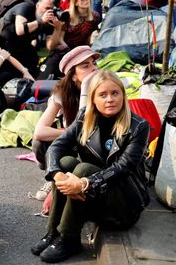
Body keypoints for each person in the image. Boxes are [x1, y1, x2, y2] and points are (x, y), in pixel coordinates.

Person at [31, 71, 149, 262]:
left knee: (82, 170)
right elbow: (57, 146)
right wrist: (57, 174)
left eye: (115, 93)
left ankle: (69, 239)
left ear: (123, 95)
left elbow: (123, 168)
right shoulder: (85, 117)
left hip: (124, 205)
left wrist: (85, 183)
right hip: (94, 195)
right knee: (66, 163)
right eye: (103, 95)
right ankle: (54, 232)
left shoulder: (138, 126)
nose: (110, 99)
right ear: (93, 98)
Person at [32, 46, 100, 171]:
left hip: (97, 147)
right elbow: (39, 132)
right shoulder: (63, 93)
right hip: (75, 145)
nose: (94, 69)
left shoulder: (104, 89)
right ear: (73, 76)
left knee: (79, 168)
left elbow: (86, 130)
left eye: (94, 64)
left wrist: (86, 87)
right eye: (86, 66)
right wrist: (69, 132)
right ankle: (52, 174)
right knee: (39, 144)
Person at [43, 0, 101, 78]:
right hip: (66, 48)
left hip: (84, 49)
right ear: (76, 3)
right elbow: (61, 39)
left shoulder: (95, 16)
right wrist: (70, 51)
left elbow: (91, 35)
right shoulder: (67, 16)